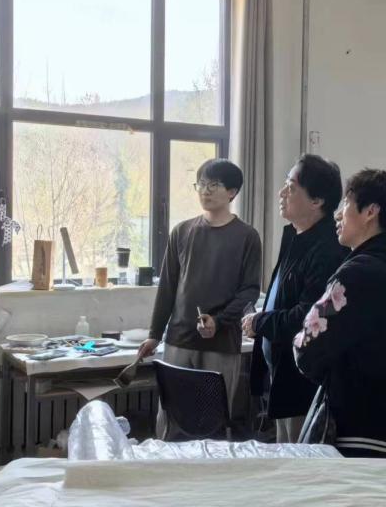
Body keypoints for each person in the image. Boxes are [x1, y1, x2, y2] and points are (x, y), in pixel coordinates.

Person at [294, 169, 386, 458]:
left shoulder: (356, 273)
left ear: (370, 212)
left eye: (345, 204)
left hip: (357, 434)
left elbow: (306, 348)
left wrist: (336, 374)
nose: (337, 215)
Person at [137, 159, 262, 431]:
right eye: (201, 184)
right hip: (179, 340)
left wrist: (219, 320)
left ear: (232, 192)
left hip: (222, 342)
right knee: (171, 420)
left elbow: (250, 290)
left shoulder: (247, 236)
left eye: (213, 185)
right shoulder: (182, 231)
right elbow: (168, 287)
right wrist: (154, 334)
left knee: (214, 422)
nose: (205, 191)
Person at [241, 155, 348, 443]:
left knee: (299, 456)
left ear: (317, 201)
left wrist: (261, 321)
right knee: (285, 451)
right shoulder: (294, 236)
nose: (281, 193)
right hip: (280, 373)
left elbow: (307, 315)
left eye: (291, 187)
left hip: (302, 379)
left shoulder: (327, 249)